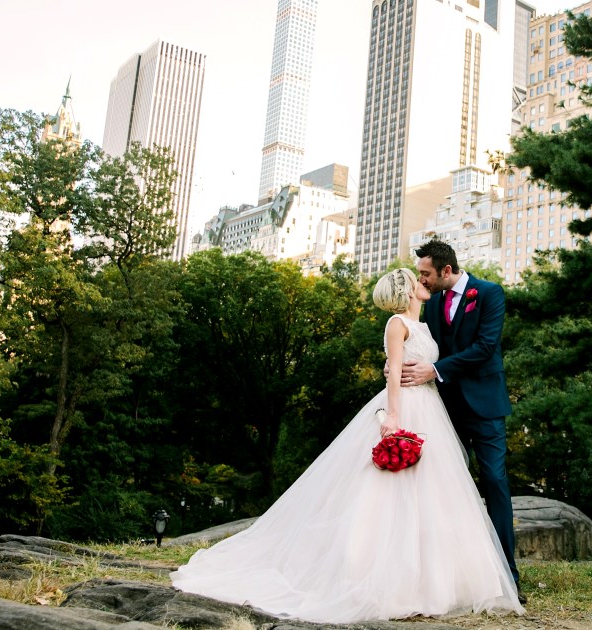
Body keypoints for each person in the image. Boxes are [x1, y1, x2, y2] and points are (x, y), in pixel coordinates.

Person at [170, 268, 522, 623]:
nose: (423, 281)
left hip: (433, 408)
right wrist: (393, 416)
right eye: (417, 278)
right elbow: (396, 370)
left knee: (436, 493)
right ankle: (384, 574)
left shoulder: (428, 321)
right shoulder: (396, 323)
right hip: (406, 408)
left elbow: (444, 358)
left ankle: (442, 576)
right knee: (388, 493)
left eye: (424, 274)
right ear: (407, 290)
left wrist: (426, 371)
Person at [400, 239, 521, 596]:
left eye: (426, 274)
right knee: (445, 486)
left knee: (495, 483)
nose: (421, 280)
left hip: (485, 407)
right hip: (444, 409)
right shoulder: (432, 302)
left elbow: (485, 348)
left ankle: (507, 575)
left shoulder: (489, 293)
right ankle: (455, 574)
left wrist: (434, 369)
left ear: (446, 270)